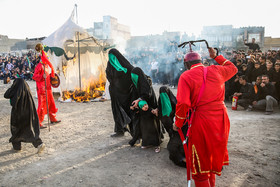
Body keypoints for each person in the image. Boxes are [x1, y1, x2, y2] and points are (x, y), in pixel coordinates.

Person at [173, 47, 237, 187]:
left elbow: (183, 103)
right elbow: (233, 68)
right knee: (211, 160)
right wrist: (217, 56)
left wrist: (178, 123)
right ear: (201, 61)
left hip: (202, 119)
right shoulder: (217, 69)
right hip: (221, 118)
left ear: (186, 65)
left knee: (200, 167)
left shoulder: (186, 76)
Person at [4, 78, 45, 153]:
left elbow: (6, 95)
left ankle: (17, 147)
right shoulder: (27, 89)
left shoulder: (16, 90)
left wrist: (12, 87)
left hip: (18, 114)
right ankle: (38, 144)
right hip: (28, 114)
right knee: (29, 129)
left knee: (16, 130)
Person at [130, 67, 162, 153]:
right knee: (144, 124)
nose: (133, 78)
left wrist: (139, 99)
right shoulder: (136, 83)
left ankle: (156, 143)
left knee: (152, 124)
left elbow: (147, 94)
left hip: (149, 105)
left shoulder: (145, 81)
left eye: (134, 76)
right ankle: (147, 142)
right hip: (143, 108)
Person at [106, 48, 134, 137]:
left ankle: (135, 133)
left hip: (126, 94)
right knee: (117, 111)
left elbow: (132, 75)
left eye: (113, 57)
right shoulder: (110, 64)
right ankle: (119, 130)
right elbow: (108, 75)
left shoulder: (126, 65)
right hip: (115, 94)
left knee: (129, 112)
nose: (111, 59)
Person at [157, 86, 187, 167]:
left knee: (175, 148)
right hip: (175, 132)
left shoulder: (178, 105)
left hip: (182, 131)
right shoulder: (162, 104)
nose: (164, 98)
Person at [33, 43, 61, 128]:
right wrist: (42, 76)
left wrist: (52, 77)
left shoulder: (46, 66)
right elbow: (34, 76)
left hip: (48, 88)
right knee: (42, 105)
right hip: (41, 89)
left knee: (51, 103)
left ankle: (52, 118)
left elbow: (49, 76)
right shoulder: (39, 66)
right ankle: (39, 122)